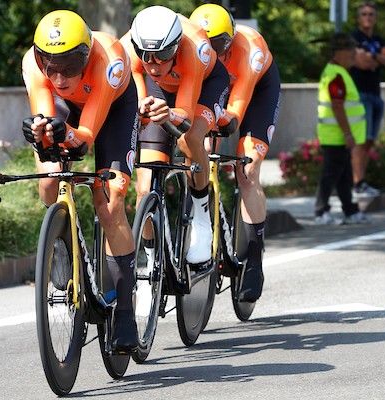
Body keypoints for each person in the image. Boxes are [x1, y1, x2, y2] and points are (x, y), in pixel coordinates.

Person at [21, 10, 139, 352]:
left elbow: (85, 137)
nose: (58, 76)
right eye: (50, 66)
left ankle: (126, 311)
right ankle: (60, 245)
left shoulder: (109, 59)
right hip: (69, 111)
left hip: (113, 110)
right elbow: (45, 116)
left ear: (86, 56)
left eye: (70, 66)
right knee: (48, 180)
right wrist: (38, 131)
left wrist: (66, 133)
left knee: (111, 201)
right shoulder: (33, 65)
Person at [120, 6, 230, 265]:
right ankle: (151, 263)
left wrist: (169, 114)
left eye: (163, 55)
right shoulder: (128, 50)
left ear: (177, 47)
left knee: (189, 137)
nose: (154, 64)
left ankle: (202, 215)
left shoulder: (194, 49)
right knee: (145, 187)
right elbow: (138, 101)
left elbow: (186, 116)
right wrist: (143, 109)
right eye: (146, 56)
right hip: (160, 92)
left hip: (204, 86)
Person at [189, 4, 281, 302]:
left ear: (231, 39)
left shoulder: (249, 49)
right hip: (216, 88)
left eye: (221, 46)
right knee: (199, 147)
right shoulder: (193, 52)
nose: (215, 53)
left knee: (247, 169)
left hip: (253, 91)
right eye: (209, 46)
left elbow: (234, 115)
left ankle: (254, 257)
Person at [315, 32, 370, 226]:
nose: (355, 53)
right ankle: (321, 212)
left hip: (339, 136)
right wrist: (347, 134)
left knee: (343, 176)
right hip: (336, 136)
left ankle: (350, 211)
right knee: (331, 176)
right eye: (351, 50)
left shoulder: (338, 72)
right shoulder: (336, 74)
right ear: (340, 53)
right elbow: (337, 107)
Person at [350, 1, 385, 198]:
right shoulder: (354, 38)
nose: (368, 17)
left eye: (371, 14)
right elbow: (360, 62)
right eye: (364, 14)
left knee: (369, 141)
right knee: (360, 141)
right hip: (360, 95)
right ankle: (357, 183)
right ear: (359, 18)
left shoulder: (378, 39)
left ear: (375, 18)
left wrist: (373, 56)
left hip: (376, 95)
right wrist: (377, 59)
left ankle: (362, 181)